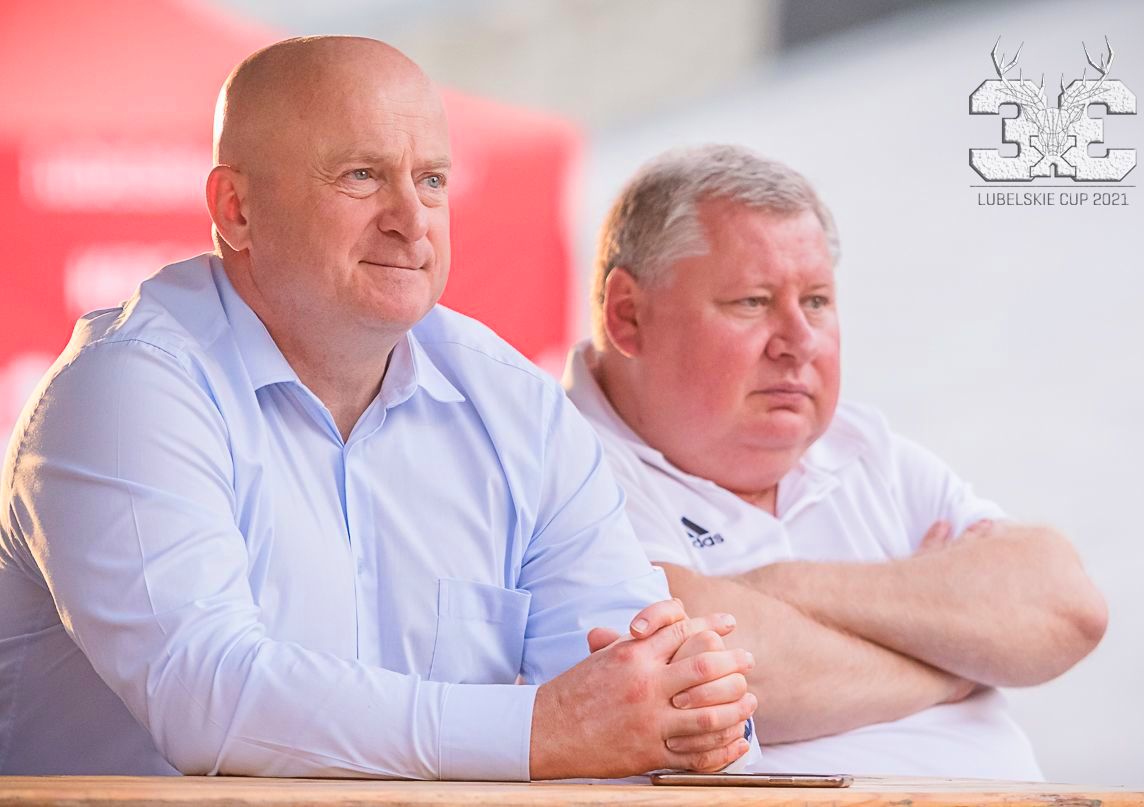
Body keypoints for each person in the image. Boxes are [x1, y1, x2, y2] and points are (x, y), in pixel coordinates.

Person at [0, 39, 759, 779]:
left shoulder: (514, 404)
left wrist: (689, 709)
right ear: (236, 209)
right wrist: (545, 729)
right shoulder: (125, 389)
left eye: (432, 180)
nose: (411, 218)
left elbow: (632, 692)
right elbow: (207, 696)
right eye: (361, 176)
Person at [563, 144, 1110, 779]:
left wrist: (784, 587)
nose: (799, 342)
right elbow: (689, 674)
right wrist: (953, 659)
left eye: (817, 301)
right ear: (629, 316)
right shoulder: (557, 468)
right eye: (753, 301)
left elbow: (1067, 608)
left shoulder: (862, 449)